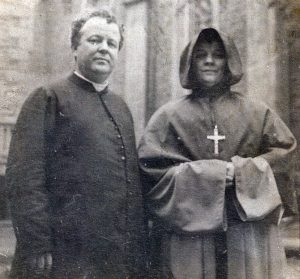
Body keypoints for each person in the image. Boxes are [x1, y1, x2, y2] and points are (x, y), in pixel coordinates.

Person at [138, 28, 297, 279]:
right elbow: (151, 172)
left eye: (218, 55)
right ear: (190, 63)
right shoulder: (168, 116)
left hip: (245, 232)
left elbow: (284, 154)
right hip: (190, 235)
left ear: (229, 62)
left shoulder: (257, 112)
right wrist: (210, 176)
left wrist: (243, 172)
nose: (210, 61)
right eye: (201, 55)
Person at [6, 9, 146, 279]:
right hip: (62, 254)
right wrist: (36, 242)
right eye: (95, 40)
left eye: (111, 44)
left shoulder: (121, 108)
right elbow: (24, 177)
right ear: (74, 47)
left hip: (112, 255)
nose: (104, 49)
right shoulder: (48, 97)